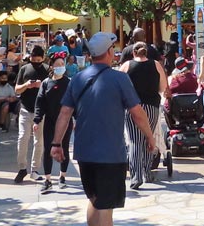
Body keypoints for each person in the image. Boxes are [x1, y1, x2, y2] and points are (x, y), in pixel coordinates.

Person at [50, 32, 155, 226]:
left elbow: (64, 114)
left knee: (95, 201)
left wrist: (56, 143)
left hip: (84, 153)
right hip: (111, 155)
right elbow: (138, 113)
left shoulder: (78, 79)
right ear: (109, 52)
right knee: (106, 207)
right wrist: (150, 136)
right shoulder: (120, 79)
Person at [119, 42, 167, 189]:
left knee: (134, 140)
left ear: (133, 52)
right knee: (149, 137)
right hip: (152, 106)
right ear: (146, 52)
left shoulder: (126, 66)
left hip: (133, 106)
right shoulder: (156, 65)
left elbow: (118, 85)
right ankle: (147, 172)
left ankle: (136, 176)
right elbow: (162, 87)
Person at [33, 54, 74, 193]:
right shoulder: (46, 83)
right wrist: (37, 120)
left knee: (64, 148)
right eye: (57, 65)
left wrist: (77, 119)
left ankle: (62, 176)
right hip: (50, 121)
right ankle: (48, 179)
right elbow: (40, 103)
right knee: (48, 149)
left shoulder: (69, 83)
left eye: (62, 64)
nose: (60, 67)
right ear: (52, 67)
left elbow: (74, 102)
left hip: (66, 121)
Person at [13, 44, 50, 183]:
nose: (35, 63)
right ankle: (22, 167)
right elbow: (17, 89)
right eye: (33, 60)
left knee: (39, 141)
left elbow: (52, 89)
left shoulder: (47, 70)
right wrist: (27, 85)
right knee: (22, 138)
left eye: (38, 60)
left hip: (40, 111)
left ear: (43, 58)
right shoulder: (24, 69)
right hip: (25, 108)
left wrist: (42, 85)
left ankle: (35, 169)